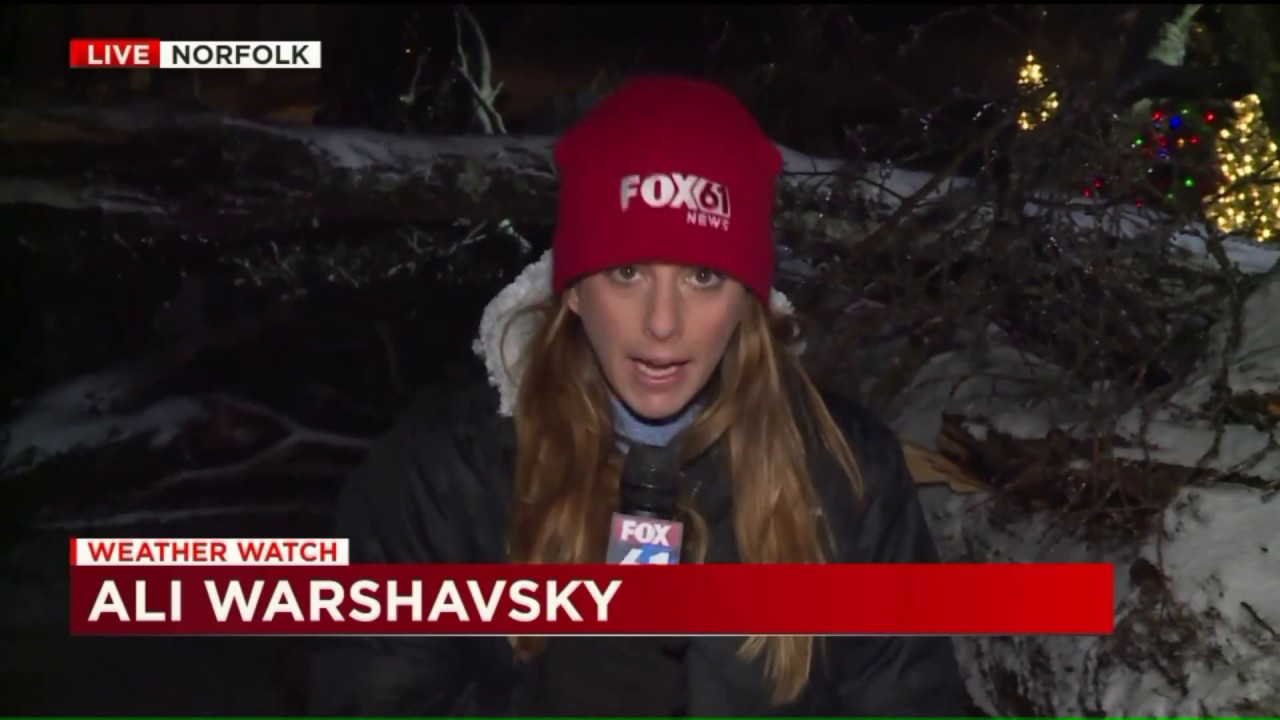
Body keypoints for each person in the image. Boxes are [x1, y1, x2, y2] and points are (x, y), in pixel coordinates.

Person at [307, 74, 972, 716]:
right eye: (626, 272)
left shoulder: (847, 472)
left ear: (748, 298)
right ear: (570, 288)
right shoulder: (444, 474)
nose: (661, 323)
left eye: (703, 276)